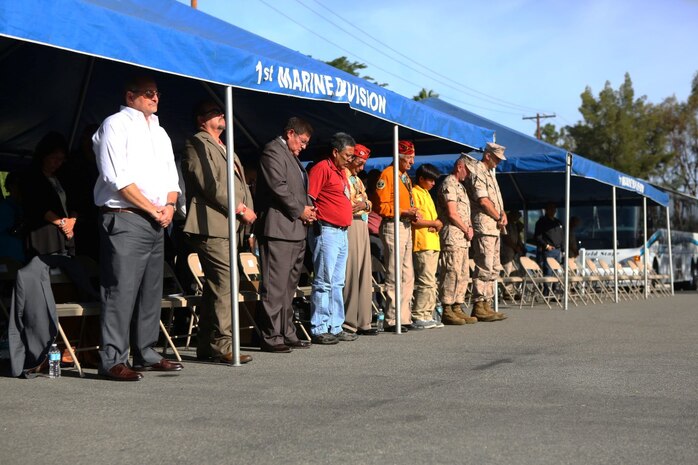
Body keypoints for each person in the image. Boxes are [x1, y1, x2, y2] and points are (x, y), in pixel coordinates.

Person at [92, 75, 183, 381]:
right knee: (120, 290)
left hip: (157, 218)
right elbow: (115, 178)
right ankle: (112, 359)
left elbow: (173, 179)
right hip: (128, 217)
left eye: (157, 93)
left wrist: (169, 206)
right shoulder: (115, 124)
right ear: (130, 95)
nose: (154, 98)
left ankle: (146, 351)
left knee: (150, 291)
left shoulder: (160, 132)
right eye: (148, 93)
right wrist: (151, 208)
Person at [181, 101, 255, 364]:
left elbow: (241, 183)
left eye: (222, 112)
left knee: (219, 286)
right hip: (211, 223)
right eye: (214, 112)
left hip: (230, 224)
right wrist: (240, 207)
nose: (222, 115)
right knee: (225, 282)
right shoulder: (197, 143)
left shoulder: (227, 145)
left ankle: (207, 345)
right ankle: (223, 345)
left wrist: (248, 213)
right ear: (201, 119)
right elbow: (209, 184)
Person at [255, 117, 316, 353]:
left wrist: (309, 209)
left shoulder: (291, 156)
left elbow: (298, 190)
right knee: (275, 286)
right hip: (279, 228)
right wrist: (301, 210)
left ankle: (287, 332)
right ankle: (271, 336)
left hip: (296, 229)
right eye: (301, 141)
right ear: (290, 133)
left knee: (289, 287)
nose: (303, 146)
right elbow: (278, 186)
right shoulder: (273, 151)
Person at [307, 132, 356, 344]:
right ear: (335, 152)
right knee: (324, 282)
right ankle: (319, 327)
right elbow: (310, 197)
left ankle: (335, 326)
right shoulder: (322, 168)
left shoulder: (341, 172)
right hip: (326, 230)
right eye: (347, 155)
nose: (350, 159)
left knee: (337, 282)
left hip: (342, 231)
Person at [372, 140, 421, 332]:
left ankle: (404, 316)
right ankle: (392, 318)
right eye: (408, 158)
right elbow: (381, 206)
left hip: (406, 226)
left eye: (412, 158)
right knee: (394, 272)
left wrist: (412, 212)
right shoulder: (387, 175)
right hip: (394, 225)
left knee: (408, 273)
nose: (411, 162)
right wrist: (403, 211)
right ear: (399, 157)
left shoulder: (405, 177)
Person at [467, 143, 508, 322]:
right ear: (488, 155)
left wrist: (503, 214)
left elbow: (495, 200)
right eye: (497, 158)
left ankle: (487, 303)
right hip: (485, 224)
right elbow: (483, 200)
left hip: (494, 226)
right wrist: (498, 216)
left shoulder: (490, 173)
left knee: (493, 267)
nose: (498, 162)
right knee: (484, 265)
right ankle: (479, 304)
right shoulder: (478, 171)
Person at [20, 132, 77, 258]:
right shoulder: (32, 177)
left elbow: (74, 202)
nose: (58, 163)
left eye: (61, 159)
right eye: (54, 158)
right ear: (43, 156)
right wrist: (63, 224)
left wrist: (71, 222)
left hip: (65, 235)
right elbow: (37, 206)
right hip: (44, 238)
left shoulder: (62, 178)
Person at [437, 156, 479, 325]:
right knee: (451, 271)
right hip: (453, 235)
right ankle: (447, 307)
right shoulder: (449, 184)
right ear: (459, 166)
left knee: (462, 273)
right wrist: (466, 228)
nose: (468, 175)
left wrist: (468, 229)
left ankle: (457, 306)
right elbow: (452, 213)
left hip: (462, 238)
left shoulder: (461, 187)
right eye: (467, 170)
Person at [342, 143, 377, 336]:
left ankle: (365, 321)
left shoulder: (357, 179)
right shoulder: (343, 176)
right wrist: (363, 204)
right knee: (352, 272)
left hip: (361, 223)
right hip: (351, 224)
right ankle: (350, 321)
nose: (362, 167)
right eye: (359, 162)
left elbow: (367, 202)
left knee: (364, 272)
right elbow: (351, 204)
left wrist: (364, 204)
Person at [410, 163, 442, 329]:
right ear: (421, 178)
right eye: (430, 180)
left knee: (431, 281)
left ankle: (428, 313)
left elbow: (433, 219)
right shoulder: (415, 192)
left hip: (433, 242)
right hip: (422, 243)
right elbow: (415, 220)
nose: (433, 184)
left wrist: (437, 223)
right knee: (426, 280)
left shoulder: (427, 194)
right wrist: (434, 222)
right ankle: (419, 314)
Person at [0, 172, 25, 263]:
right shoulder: (5, 207)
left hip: (21, 256)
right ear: (11, 186)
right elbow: (12, 231)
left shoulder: (21, 207)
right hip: (8, 256)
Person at [534, 202, 564, 279]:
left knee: (556, 272)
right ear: (546, 210)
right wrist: (546, 246)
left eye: (554, 209)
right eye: (551, 208)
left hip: (558, 250)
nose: (553, 210)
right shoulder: (541, 222)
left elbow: (561, 236)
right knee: (548, 272)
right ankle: (547, 290)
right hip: (549, 251)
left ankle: (554, 289)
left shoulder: (558, 222)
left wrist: (563, 249)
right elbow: (537, 237)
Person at [500, 209, 525, 297]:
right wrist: (515, 247)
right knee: (508, 269)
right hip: (507, 250)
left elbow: (518, 237)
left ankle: (513, 289)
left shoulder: (515, 225)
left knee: (515, 270)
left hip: (514, 251)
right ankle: (507, 290)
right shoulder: (506, 224)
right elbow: (506, 238)